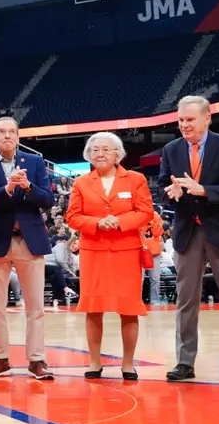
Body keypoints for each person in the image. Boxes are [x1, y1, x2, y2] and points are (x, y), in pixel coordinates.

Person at [156, 95, 219, 385]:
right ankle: (185, 362)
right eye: (180, 120)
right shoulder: (171, 149)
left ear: (207, 118)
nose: (184, 125)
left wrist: (204, 191)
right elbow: (162, 186)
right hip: (188, 232)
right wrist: (169, 193)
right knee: (186, 302)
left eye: (190, 120)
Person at [66, 132, 154, 379]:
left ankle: (128, 363)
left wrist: (119, 221)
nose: (100, 153)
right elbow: (72, 217)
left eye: (106, 149)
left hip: (127, 251)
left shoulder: (135, 179)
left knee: (129, 308)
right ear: (88, 156)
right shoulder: (81, 182)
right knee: (93, 308)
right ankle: (95, 362)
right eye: (94, 150)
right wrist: (96, 223)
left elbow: (145, 212)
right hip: (93, 251)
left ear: (118, 154)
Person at [0, 116, 55, 380]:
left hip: (29, 240)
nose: (7, 136)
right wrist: (7, 189)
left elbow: (47, 199)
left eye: (12, 132)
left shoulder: (34, 163)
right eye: (2, 132)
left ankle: (37, 360)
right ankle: (0, 358)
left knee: (35, 306)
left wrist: (28, 186)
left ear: (18, 136)